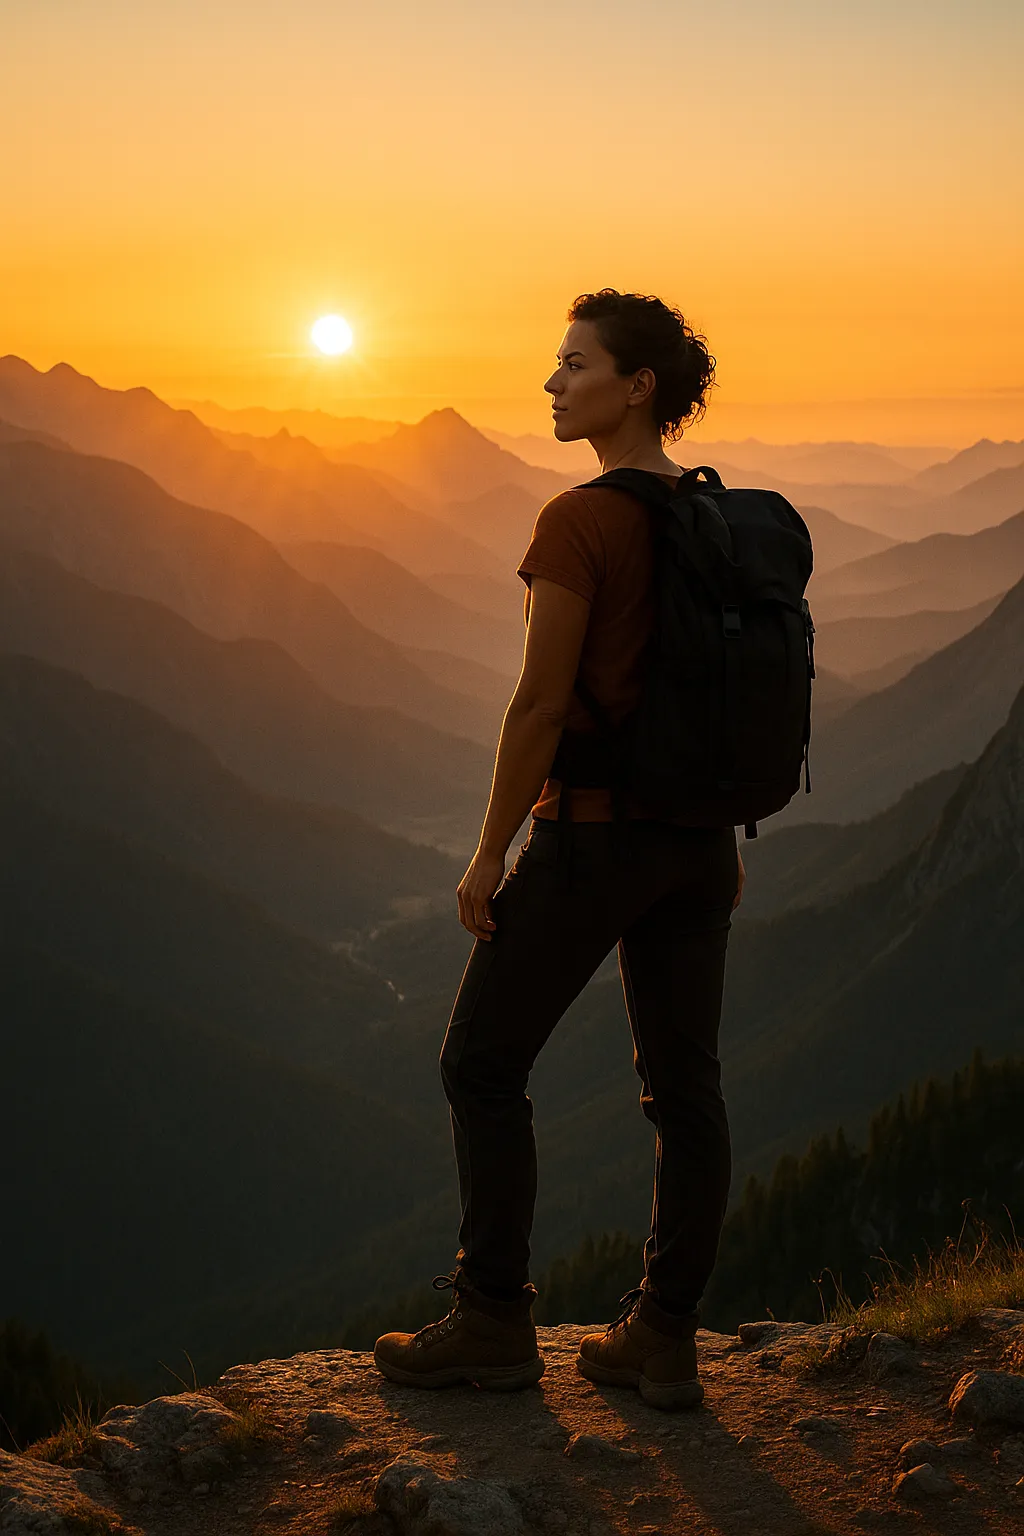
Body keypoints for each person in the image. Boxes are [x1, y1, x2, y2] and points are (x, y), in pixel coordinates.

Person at [373, 289, 745, 1410]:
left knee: (480, 1064)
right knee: (684, 1088)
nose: (551, 381)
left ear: (637, 387)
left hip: (592, 839)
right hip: (700, 847)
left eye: (575, 363)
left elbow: (540, 704)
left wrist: (489, 851)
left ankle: (492, 1318)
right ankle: (663, 1337)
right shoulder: (713, 512)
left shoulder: (578, 521)